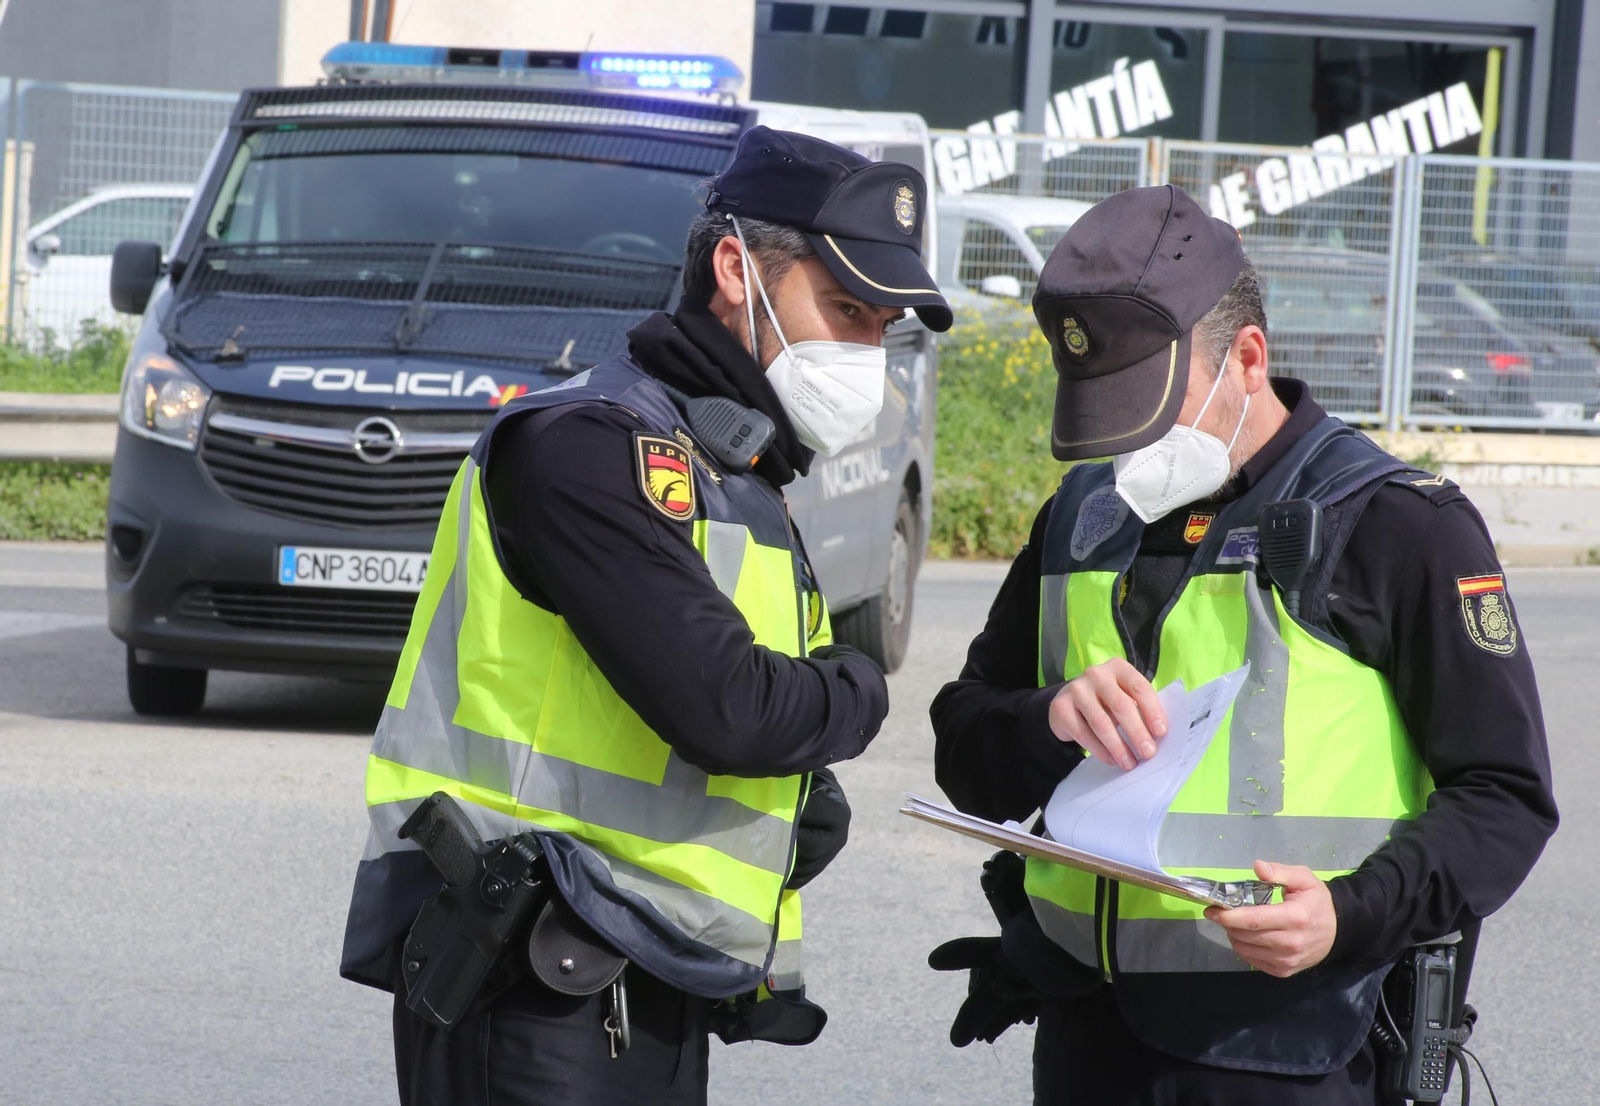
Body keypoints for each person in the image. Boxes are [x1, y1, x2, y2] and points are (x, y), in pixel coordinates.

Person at [340, 126, 952, 1105]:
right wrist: (860, 689)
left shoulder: (730, 467)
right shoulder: (590, 446)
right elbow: (731, 708)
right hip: (533, 983)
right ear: (734, 270)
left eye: (882, 325)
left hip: (638, 970)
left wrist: (795, 800)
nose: (864, 349)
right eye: (844, 309)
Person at [927, 184, 1556, 1104]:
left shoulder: (1400, 528)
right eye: (1105, 414)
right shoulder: (1078, 517)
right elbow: (964, 745)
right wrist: (1047, 721)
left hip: (1296, 1051)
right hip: (1086, 1042)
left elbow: (1505, 800)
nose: (1127, 449)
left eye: (1147, 408)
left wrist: (1346, 915)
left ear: (1248, 359)